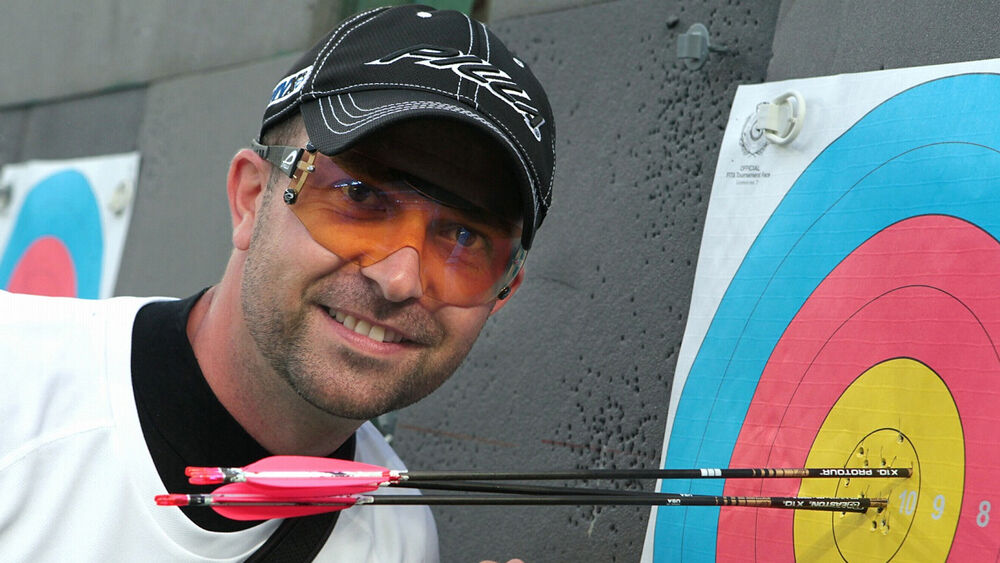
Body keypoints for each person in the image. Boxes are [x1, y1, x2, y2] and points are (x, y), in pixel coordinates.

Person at [0, 4, 555, 562]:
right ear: (250, 198)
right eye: (359, 196)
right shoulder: (16, 379)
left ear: (504, 292)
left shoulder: (400, 542)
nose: (398, 278)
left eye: (464, 238)